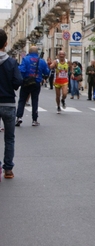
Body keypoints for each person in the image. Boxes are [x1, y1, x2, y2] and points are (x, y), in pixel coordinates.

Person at [0, 29, 23, 179]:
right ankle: (8, 169)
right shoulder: (12, 62)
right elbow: (18, 81)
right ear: (6, 43)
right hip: (8, 103)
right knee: (9, 137)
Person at [16, 46, 49, 126]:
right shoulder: (41, 61)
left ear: (29, 52)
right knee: (35, 101)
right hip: (36, 83)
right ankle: (34, 120)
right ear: (37, 52)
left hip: (26, 82)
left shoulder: (25, 59)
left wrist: (23, 78)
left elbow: (21, 70)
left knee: (22, 100)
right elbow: (47, 72)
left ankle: (19, 118)